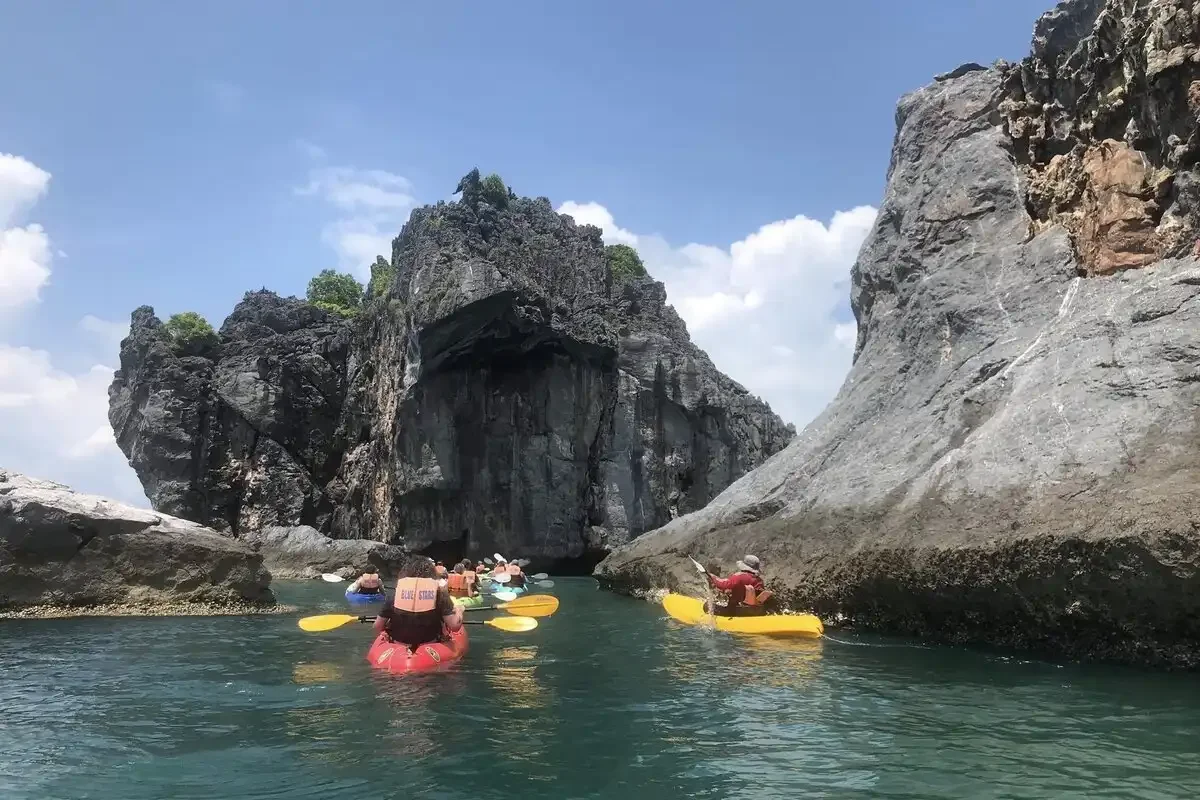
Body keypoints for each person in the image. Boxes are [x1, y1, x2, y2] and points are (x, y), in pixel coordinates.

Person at [374, 556, 463, 649]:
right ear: (431, 573)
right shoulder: (439, 593)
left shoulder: (396, 594)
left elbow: (377, 626)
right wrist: (459, 610)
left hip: (397, 644)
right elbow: (454, 626)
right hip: (430, 644)